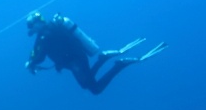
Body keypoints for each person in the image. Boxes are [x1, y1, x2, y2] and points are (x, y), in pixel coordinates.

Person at [24, 12, 167, 95]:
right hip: (77, 58)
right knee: (89, 83)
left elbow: (40, 55)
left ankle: (118, 65)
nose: (31, 29)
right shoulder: (51, 28)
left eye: (31, 26)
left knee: (94, 88)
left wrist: (31, 63)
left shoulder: (44, 35)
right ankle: (104, 60)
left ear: (36, 24)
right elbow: (37, 51)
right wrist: (32, 61)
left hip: (75, 62)